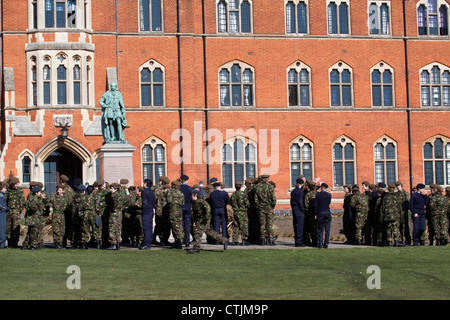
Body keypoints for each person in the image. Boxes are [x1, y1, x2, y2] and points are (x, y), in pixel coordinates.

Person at [254, 174, 277, 245]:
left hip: (261, 207)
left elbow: (256, 200)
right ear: (267, 179)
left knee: (262, 224)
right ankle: (270, 239)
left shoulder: (257, 187)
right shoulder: (270, 187)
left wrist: (258, 206)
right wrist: (272, 205)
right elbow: (273, 198)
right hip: (269, 207)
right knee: (269, 224)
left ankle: (262, 240)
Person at [5, 177, 25, 248]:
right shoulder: (8, 191)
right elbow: (5, 201)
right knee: (8, 228)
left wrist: (19, 210)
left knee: (16, 227)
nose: (16, 185)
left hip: (16, 211)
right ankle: (9, 242)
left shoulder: (20, 191)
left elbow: (22, 202)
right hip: (9, 211)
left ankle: (15, 243)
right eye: (15, 184)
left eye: (17, 184)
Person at [230, 181, 250, 245]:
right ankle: (244, 239)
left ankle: (235, 240)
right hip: (242, 212)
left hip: (236, 212)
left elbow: (231, 203)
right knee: (244, 226)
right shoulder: (243, 194)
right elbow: (247, 203)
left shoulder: (233, 194)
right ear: (241, 186)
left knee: (236, 226)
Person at [49, 185, 69, 249]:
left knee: (62, 230)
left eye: (60, 190)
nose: (59, 191)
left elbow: (67, 205)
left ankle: (62, 243)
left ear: (62, 190)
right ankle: (57, 243)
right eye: (58, 190)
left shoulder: (65, 197)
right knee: (56, 230)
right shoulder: (53, 197)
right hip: (56, 215)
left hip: (62, 215)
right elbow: (50, 203)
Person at [167, 180, 185, 249]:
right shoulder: (181, 193)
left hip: (173, 210)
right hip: (179, 210)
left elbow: (169, 201)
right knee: (179, 226)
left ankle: (179, 242)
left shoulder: (170, 192)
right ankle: (177, 241)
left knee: (175, 227)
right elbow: (183, 202)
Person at [139, 179, 155, 250]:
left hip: (146, 211)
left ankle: (146, 244)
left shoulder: (144, 192)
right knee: (150, 227)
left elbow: (144, 202)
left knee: (146, 228)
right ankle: (149, 242)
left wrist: (141, 207)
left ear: (145, 183)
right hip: (151, 210)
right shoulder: (151, 191)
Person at [315, 183, 332, 248]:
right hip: (327, 212)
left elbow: (316, 205)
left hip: (320, 212)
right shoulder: (329, 195)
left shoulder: (318, 195)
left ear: (321, 187)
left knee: (320, 228)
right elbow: (329, 203)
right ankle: (326, 243)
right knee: (327, 229)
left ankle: (320, 243)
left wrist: (316, 213)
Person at [290, 178, 305, 247]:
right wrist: (303, 209)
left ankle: (296, 241)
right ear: (301, 184)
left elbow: (291, 201)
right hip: (299, 210)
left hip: (294, 209)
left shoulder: (293, 191)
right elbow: (300, 202)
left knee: (295, 226)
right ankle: (299, 242)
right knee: (300, 227)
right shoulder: (300, 192)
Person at [179, 175, 193, 247]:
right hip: (188, 207)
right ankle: (187, 241)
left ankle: (180, 240)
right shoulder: (190, 189)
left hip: (180, 207)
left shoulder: (178, 188)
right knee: (187, 225)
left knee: (180, 225)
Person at [395, 181, 411, 245]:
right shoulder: (396, 194)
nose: (398, 187)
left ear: (401, 186)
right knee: (399, 227)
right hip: (398, 212)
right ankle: (400, 239)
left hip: (404, 212)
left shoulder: (405, 193)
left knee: (406, 226)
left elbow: (408, 202)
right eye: (397, 186)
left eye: (398, 186)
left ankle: (408, 240)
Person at [0, 182, 10, 249]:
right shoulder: (1, 196)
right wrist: (8, 208)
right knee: (2, 229)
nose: (5, 189)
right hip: (1, 213)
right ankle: (2, 244)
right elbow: (1, 206)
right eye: (4, 188)